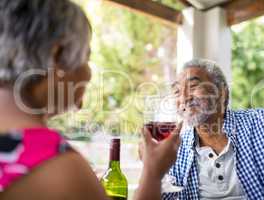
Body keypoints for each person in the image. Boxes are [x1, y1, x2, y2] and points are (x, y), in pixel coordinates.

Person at [0, 0, 181, 199]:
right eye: (87, 58)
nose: (88, 74)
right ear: (58, 56)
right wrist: (153, 173)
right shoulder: (56, 167)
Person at [161, 58, 264, 199]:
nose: (184, 98)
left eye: (193, 86)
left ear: (222, 92)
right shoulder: (176, 149)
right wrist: (151, 168)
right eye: (177, 91)